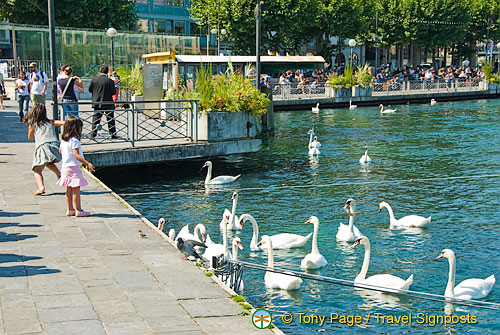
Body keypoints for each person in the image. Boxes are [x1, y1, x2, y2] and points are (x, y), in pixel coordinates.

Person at [57, 116, 95, 217]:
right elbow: (76, 155)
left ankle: (70, 209)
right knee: (76, 190)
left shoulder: (64, 140)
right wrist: (87, 163)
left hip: (65, 167)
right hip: (74, 167)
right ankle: (79, 210)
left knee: (68, 189)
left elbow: (60, 151)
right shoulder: (75, 141)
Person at [23, 103, 64, 195]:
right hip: (55, 146)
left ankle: (41, 187)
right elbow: (63, 122)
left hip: (43, 146)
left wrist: (31, 130)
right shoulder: (51, 122)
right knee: (48, 162)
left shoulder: (33, 124)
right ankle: (59, 173)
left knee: (37, 169)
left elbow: (30, 138)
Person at [89, 65, 117, 139]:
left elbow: (90, 89)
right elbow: (113, 92)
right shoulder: (109, 80)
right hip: (108, 102)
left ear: (100, 71)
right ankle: (113, 134)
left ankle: (93, 134)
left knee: (96, 119)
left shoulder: (94, 80)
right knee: (110, 119)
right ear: (107, 72)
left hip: (97, 102)